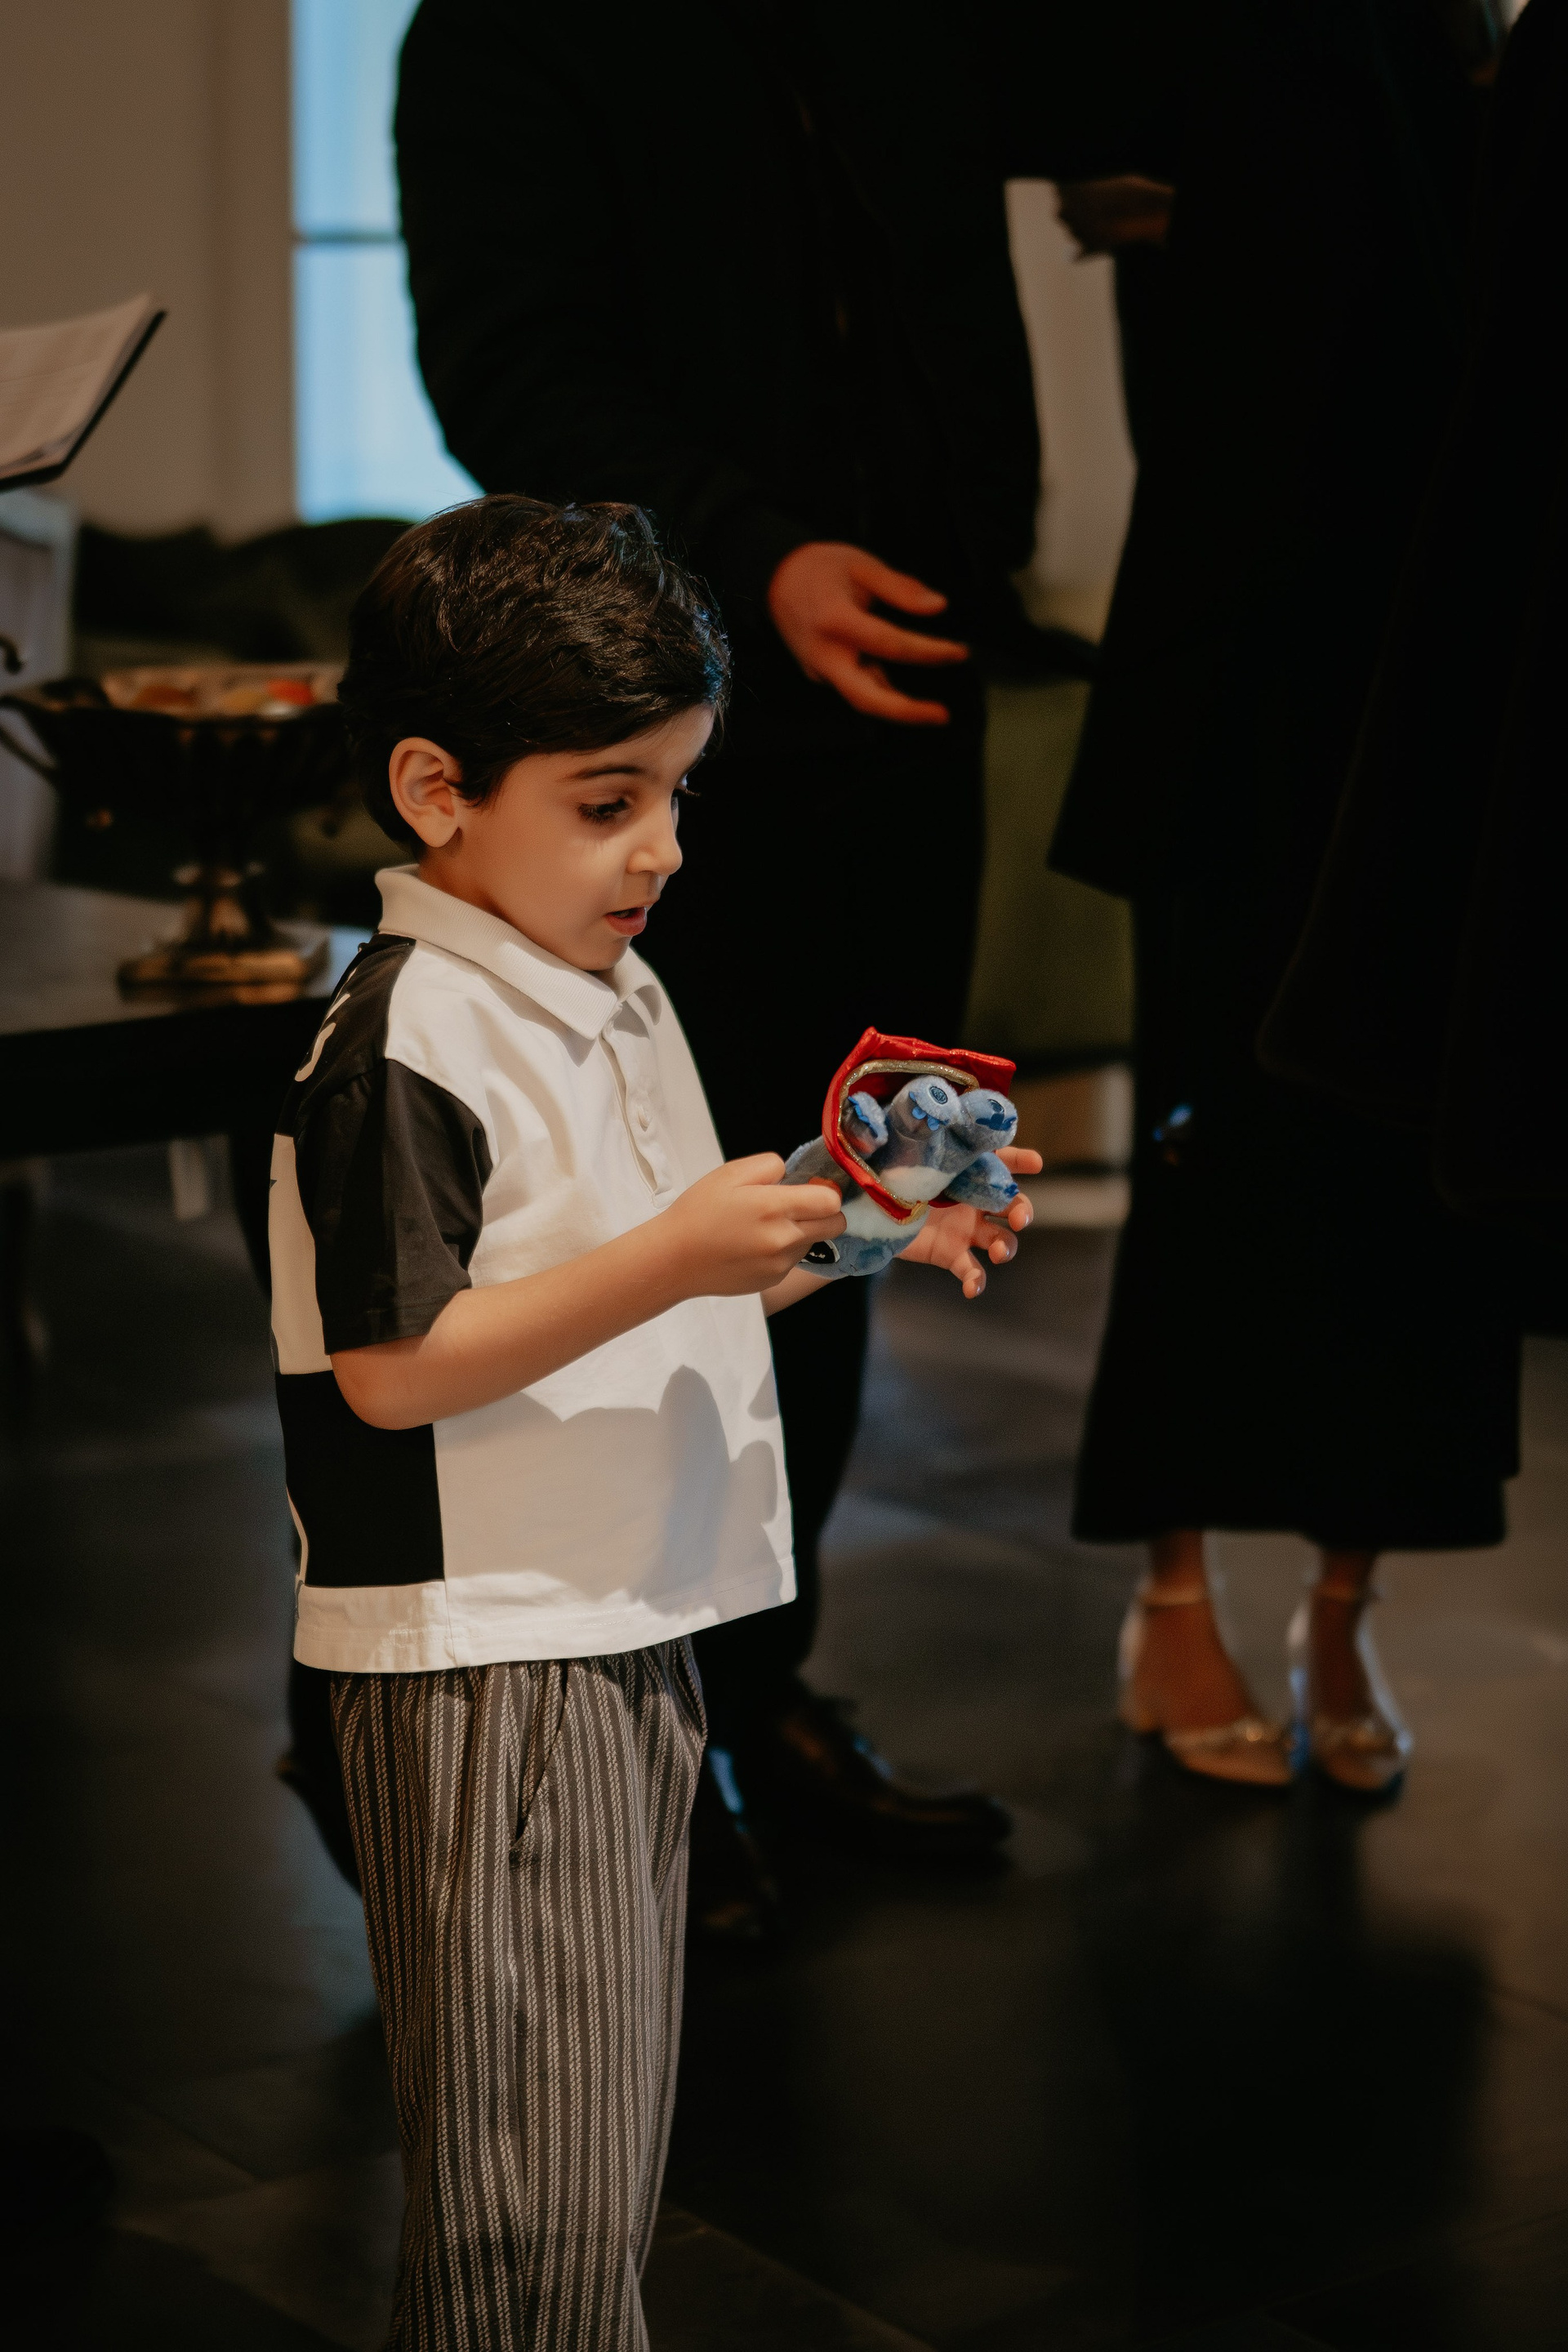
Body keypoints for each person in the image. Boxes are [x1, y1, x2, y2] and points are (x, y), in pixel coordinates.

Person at [271, 494, 1037, 2347]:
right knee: (522, 2205)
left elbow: (664, 1283)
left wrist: (865, 1225)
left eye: (680, 794)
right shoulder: (404, 1039)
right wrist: (680, 1248)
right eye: (609, 800)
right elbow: (394, 1369)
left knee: (594, 2159)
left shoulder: (602, 985)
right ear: (438, 791)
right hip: (486, 1654)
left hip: (625, 1617)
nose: (664, 848)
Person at [392, 0, 1052, 1912]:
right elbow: (513, 369)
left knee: (849, 1214)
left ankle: (757, 1692)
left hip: (908, 703)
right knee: (633, 1238)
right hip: (669, 728)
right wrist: (757, 555)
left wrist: (980, 541)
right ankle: (624, 1738)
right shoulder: (502, 33)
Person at [1041, 0, 1521, 1792]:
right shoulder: (1234, 38)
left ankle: (1342, 1599)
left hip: (1448, 674)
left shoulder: (1474, 48)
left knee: (1414, 1178)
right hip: (1242, 681)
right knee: (1216, 1149)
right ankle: (1170, 1588)